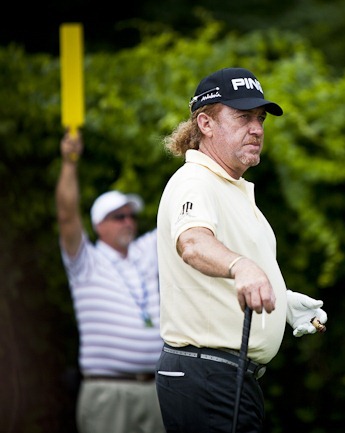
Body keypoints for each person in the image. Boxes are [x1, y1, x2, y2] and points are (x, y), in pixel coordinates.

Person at [156, 67, 329, 432]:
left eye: (260, 119)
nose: (257, 129)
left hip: (222, 377)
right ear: (205, 123)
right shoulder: (195, 181)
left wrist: (280, 301)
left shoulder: (229, 186)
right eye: (243, 117)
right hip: (207, 376)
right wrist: (242, 267)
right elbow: (193, 243)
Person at [56, 131, 165, 433]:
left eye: (131, 216)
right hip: (107, 392)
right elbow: (66, 215)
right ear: (98, 225)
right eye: (119, 217)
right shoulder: (85, 261)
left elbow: (178, 220)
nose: (129, 221)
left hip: (154, 390)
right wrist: (69, 162)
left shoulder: (144, 252)